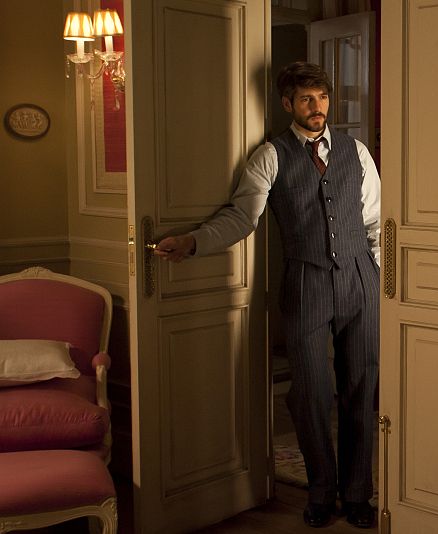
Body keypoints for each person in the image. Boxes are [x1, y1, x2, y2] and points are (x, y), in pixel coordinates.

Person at [155, 61, 380, 529]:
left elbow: (375, 220)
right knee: (311, 392)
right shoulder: (271, 156)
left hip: (361, 279)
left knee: (361, 387)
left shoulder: (356, 151)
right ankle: (321, 491)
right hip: (305, 282)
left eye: (322, 97)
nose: (317, 107)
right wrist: (194, 241)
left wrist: (379, 276)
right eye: (306, 99)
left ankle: (359, 493)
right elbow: (242, 217)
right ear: (287, 103)